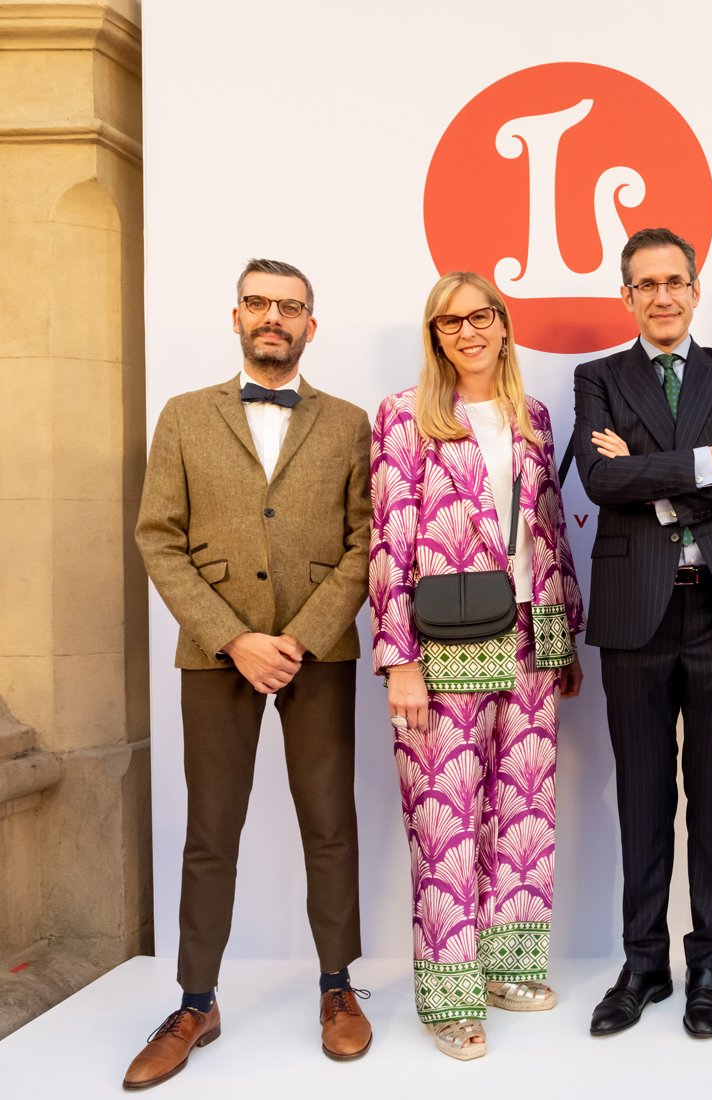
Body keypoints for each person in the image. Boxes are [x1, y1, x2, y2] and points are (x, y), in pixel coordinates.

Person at [130, 258, 373, 1088]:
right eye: (261, 304)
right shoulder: (184, 417)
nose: (276, 317)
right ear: (236, 315)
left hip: (319, 654)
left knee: (329, 824)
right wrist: (234, 637)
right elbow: (157, 536)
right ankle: (196, 1001)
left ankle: (338, 988)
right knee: (210, 832)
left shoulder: (347, 424)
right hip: (216, 654)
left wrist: (299, 636)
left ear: (312, 324)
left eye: (292, 307)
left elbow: (364, 544)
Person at [570, 227, 712, 1039]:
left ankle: (711, 967)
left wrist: (653, 474)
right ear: (626, 296)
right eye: (645, 284)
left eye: (675, 282)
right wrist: (703, 461)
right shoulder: (597, 377)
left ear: (696, 290)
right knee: (643, 794)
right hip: (635, 613)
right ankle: (643, 963)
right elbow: (598, 477)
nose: (662, 296)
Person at [369, 271, 584, 1059]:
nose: (467, 331)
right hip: (442, 643)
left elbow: (551, 529)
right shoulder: (405, 416)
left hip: (529, 636)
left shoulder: (532, 416)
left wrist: (563, 638)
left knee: (523, 812)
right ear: (435, 335)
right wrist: (399, 661)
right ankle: (448, 996)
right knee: (448, 822)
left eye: (480, 316)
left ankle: (505, 967)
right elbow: (389, 541)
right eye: (449, 321)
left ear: (501, 324)